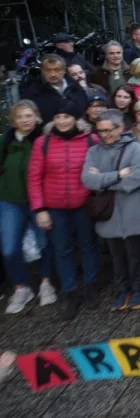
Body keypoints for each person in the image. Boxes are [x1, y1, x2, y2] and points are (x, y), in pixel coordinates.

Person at [29, 99, 99, 320]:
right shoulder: (43, 142)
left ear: (76, 119)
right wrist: (39, 209)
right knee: (62, 249)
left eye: (66, 116)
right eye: (58, 117)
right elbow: (34, 177)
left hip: (84, 203)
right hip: (55, 206)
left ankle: (90, 284)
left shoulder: (90, 140)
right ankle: (69, 291)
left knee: (88, 245)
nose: (62, 121)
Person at [82, 109, 140, 311]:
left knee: (134, 252)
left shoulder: (134, 148)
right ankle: (122, 288)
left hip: (133, 209)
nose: (104, 135)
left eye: (108, 130)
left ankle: (138, 288)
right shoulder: (93, 152)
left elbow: (135, 180)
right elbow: (88, 180)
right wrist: (118, 175)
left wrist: (103, 179)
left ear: (120, 128)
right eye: (100, 131)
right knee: (116, 254)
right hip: (109, 211)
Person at [1, 100, 56, 314]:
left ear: (36, 117)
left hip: (40, 200)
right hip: (10, 200)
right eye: (20, 116)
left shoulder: (44, 139)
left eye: (29, 115)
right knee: (9, 248)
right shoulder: (6, 141)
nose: (25, 120)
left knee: (44, 243)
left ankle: (46, 282)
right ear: (13, 120)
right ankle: (21, 287)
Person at [21, 54, 89, 125]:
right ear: (42, 71)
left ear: (64, 70)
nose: (52, 74)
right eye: (48, 70)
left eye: (57, 70)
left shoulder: (76, 88)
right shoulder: (33, 93)